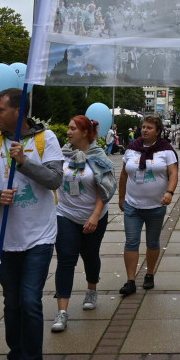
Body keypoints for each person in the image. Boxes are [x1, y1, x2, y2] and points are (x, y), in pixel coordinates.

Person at [0, 88, 64, 360]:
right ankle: (16, 359)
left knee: (29, 301)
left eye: (0, 110)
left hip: (39, 235)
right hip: (4, 237)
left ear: (19, 111)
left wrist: (24, 163)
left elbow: (54, 180)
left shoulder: (45, 139)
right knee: (10, 304)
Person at [51, 115, 116, 332]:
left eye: (73, 129)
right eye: (68, 128)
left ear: (85, 132)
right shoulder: (61, 154)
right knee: (66, 260)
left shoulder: (99, 157)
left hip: (94, 214)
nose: (68, 132)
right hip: (66, 214)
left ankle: (91, 289)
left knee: (90, 255)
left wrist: (95, 216)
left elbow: (105, 189)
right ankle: (62, 312)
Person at [117, 114, 177, 296]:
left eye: (149, 127)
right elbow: (124, 175)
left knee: (152, 242)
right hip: (132, 205)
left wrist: (169, 192)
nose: (145, 130)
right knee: (131, 241)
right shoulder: (131, 149)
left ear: (158, 131)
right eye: (143, 127)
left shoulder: (166, 150)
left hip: (156, 206)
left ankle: (149, 274)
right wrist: (121, 197)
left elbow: (173, 174)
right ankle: (130, 280)